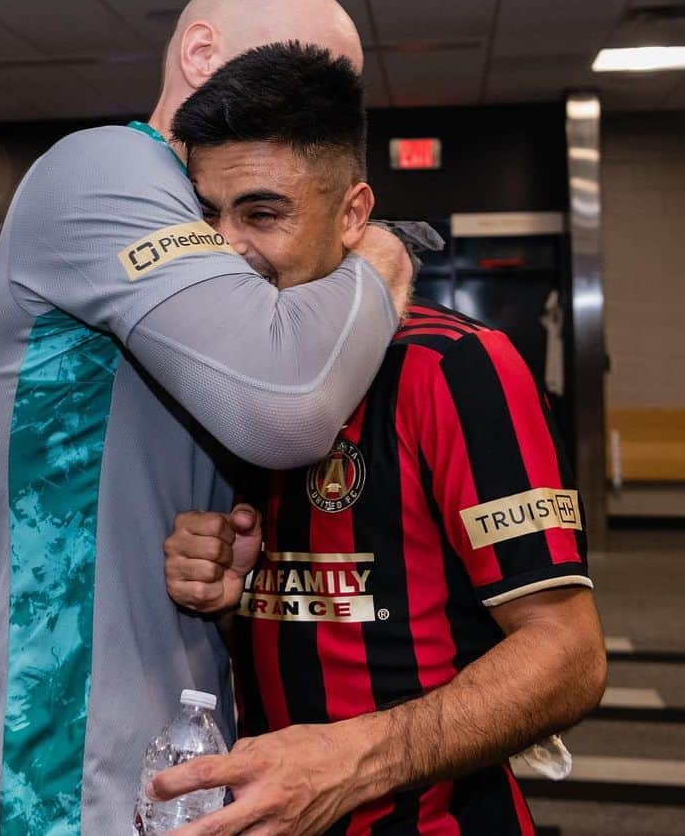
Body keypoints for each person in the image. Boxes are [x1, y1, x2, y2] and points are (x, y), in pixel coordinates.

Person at [0, 0, 422, 836]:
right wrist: (381, 255)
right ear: (201, 52)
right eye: (302, 73)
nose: (315, 112)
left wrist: (225, 552)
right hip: (54, 748)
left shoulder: (218, 232)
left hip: (170, 725)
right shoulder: (105, 168)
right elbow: (286, 405)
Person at [156, 41, 607, 835]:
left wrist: (350, 760)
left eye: (262, 212)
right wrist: (227, 599)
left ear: (353, 213)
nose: (225, 247)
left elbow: (569, 655)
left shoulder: (455, 368)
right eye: (205, 216)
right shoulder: (223, 381)